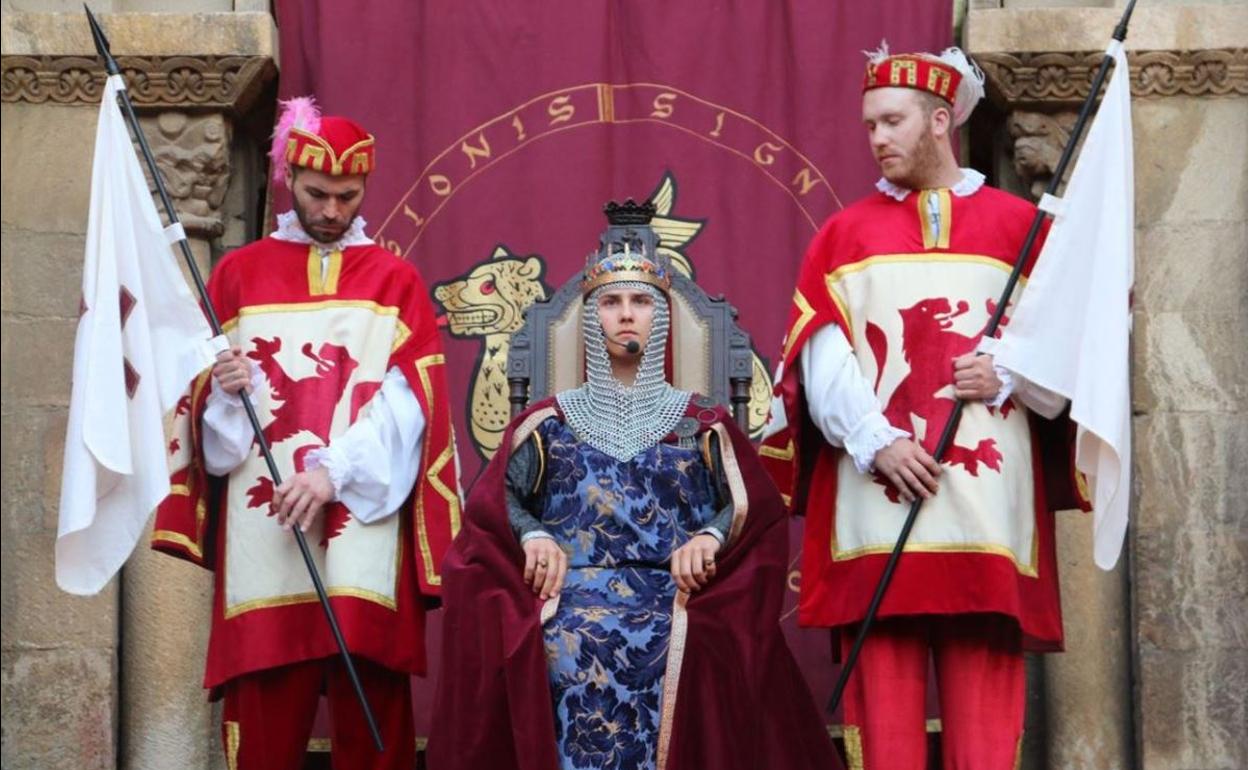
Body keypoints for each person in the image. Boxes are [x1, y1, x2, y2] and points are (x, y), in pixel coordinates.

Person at [761, 46, 1088, 769]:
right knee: (884, 729)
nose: (877, 138)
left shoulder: (1023, 232)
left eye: (892, 121)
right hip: (877, 509)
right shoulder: (842, 236)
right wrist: (877, 442)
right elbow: (821, 356)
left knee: (984, 725)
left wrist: (1010, 372)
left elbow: (1072, 361)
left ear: (941, 121)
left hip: (989, 514)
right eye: (870, 125)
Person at [428, 202, 838, 770]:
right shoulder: (550, 423)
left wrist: (712, 538)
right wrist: (531, 535)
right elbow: (496, 508)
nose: (626, 315)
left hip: (678, 594)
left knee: (691, 646)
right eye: (612, 303)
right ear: (592, 319)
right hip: (568, 594)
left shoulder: (702, 424)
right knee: (560, 642)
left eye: (641, 302)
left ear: (660, 316)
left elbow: (755, 510)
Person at [152, 96, 459, 770]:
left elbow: (408, 411)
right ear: (291, 179)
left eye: (347, 197)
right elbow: (217, 440)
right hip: (263, 541)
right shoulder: (237, 275)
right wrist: (224, 396)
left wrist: (331, 472)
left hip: (360, 533)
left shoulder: (394, 282)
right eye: (318, 194)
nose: (331, 211)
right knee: (262, 727)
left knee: (373, 723)